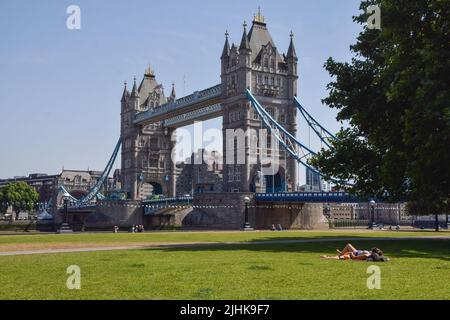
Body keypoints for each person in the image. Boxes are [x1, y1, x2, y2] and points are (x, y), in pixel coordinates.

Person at [320, 244, 388, 261]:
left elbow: (355, 258)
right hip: (356, 252)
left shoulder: (367, 255)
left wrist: (350, 253)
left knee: (348, 246)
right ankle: (328, 257)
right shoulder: (370, 254)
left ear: (374, 252)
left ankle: (327, 257)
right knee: (341, 256)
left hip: (355, 253)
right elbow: (386, 258)